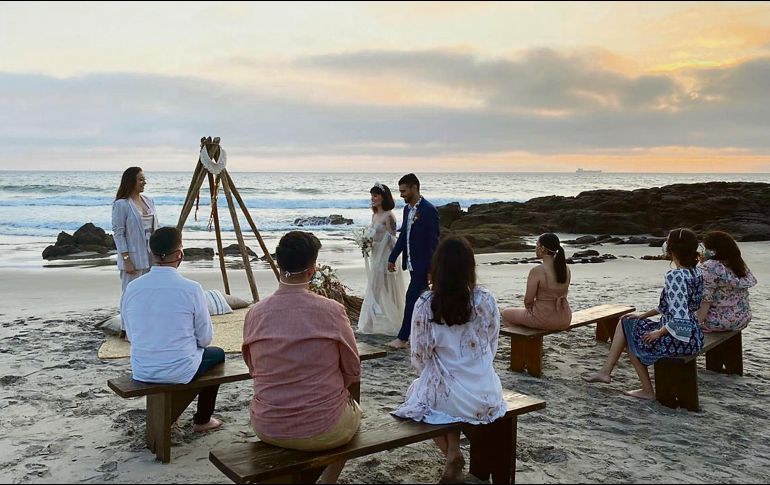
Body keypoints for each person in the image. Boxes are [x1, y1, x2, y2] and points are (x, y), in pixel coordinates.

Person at [243, 231, 361, 484]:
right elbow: (352, 369)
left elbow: (253, 368)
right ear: (312, 270)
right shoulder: (332, 311)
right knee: (354, 412)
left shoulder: (255, 314)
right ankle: (327, 480)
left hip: (267, 425)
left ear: (277, 264)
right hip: (324, 428)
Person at [393, 236, 506, 484]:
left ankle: (452, 452)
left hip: (447, 395)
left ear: (437, 268)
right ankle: (455, 453)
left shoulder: (425, 303)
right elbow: (492, 342)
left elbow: (419, 357)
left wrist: (438, 368)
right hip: (485, 394)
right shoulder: (485, 299)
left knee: (421, 393)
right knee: (444, 390)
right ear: (470, 267)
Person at [121, 227, 224, 432]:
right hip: (180, 369)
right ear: (180, 254)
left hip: (142, 367)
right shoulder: (192, 288)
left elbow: (131, 334)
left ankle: (179, 415)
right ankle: (203, 420)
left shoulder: (132, 287)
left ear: (151, 252)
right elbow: (205, 339)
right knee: (217, 355)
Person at [584, 228, 704, 400]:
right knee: (628, 323)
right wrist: (642, 316)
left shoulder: (676, 276)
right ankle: (606, 372)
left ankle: (644, 389)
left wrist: (659, 332)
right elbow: (667, 307)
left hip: (679, 337)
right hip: (694, 336)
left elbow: (680, 316)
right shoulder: (696, 272)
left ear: (672, 250)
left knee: (633, 334)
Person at [387, 173, 440, 349]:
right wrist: (392, 257)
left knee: (411, 298)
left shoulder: (428, 210)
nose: (401, 195)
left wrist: (432, 269)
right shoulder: (407, 210)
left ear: (415, 188)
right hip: (410, 263)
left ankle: (403, 338)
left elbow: (434, 242)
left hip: (423, 265)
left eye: (404, 191)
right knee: (424, 302)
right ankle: (427, 335)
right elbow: (404, 238)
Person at [112, 166, 159, 338]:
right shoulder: (121, 204)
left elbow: (155, 228)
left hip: (151, 255)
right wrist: (126, 258)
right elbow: (118, 232)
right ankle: (126, 329)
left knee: (149, 293)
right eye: (140, 179)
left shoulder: (148, 200)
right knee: (130, 293)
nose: (144, 181)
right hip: (132, 256)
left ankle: (145, 326)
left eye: (144, 178)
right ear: (130, 181)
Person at [357, 183, 406, 336]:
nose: (373, 198)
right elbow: (373, 235)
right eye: (372, 195)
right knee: (377, 289)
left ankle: (369, 324)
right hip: (376, 255)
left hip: (385, 257)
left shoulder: (389, 216)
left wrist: (393, 260)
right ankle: (373, 323)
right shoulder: (374, 215)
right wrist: (366, 244)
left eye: (376, 195)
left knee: (376, 289)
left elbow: (392, 239)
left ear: (384, 197)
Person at [501, 233, 572, 330]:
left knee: (505, 314)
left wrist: (533, 309)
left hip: (544, 319)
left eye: (537, 245)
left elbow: (528, 301)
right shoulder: (566, 269)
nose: (536, 248)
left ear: (542, 248)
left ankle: (523, 340)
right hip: (565, 318)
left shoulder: (537, 271)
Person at [697, 231, 757, 332]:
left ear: (713, 250)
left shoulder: (710, 266)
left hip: (718, 322)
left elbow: (705, 300)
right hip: (743, 319)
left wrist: (697, 323)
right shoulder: (737, 263)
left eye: (705, 248)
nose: (703, 251)